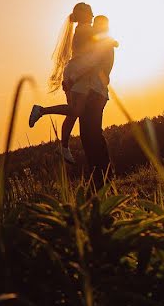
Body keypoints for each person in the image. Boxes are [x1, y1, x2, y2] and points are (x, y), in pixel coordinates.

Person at [30, 13, 117, 185]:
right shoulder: (93, 37)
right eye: (93, 20)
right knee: (90, 134)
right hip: (92, 89)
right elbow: (90, 60)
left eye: (98, 23)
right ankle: (101, 175)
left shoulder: (102, 43)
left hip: (95, 91)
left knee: (90, 134)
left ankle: (101, 176)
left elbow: (93, 64)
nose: (94, 23)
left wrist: (73, 78)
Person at [28, 2, 93, 163]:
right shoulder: (85, 29)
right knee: (76, 111)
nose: (92, 18)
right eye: (90, 14)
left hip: (72, 70)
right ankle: (41, 110)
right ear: (85, 15)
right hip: (78, 73)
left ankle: (64, 147)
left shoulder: (81, 30)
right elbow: (99, 44)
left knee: (72, 113)